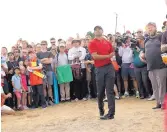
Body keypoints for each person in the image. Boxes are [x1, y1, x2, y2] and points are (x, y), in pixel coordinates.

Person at [88, 26, 115, 120]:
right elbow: (95, 56)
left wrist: (111, 53)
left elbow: (112, 52)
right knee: (100, 92)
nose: (97, 31)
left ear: (102, 31)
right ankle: (101, 109)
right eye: (95, 29)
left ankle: (111, 113)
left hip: (109, 67)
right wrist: (108, 56)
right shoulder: (92, 42)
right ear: (94, 32)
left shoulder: (107, 42)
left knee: (110, 91)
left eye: (99, 29)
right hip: (99, 68)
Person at [142, 22, 167, 109]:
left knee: (162, 85)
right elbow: (144, 52)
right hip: (150, 66)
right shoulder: (146, 40)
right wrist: (142, 56)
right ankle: (158, 103)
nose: (150, 29)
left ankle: (163, 103)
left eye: (151, 27)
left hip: (161, 65)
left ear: (155, 28)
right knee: (155, 86)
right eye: (148, 27)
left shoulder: (161, 36)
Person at [37, 41, 54, 105]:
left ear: (46, 45)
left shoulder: (50, 53)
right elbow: (38, 62)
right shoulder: (38, 53)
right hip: (41, 71)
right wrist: (45, 59)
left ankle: (50, 99)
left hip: (49, 70)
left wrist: (42, 61)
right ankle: (45, 100)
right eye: (42, 44)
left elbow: (50, 62)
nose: (43, 45)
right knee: (43, 86)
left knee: (49, 86)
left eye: (44, 44)